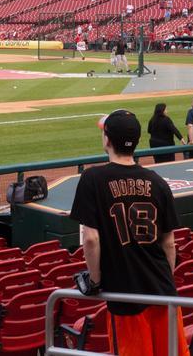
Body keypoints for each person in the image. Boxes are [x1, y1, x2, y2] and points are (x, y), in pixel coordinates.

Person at [70, 110, 186, 356]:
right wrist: (163, 282)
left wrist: (95, 281)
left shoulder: (92, 178)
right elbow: (169, 244)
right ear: (137, 141)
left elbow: (90, 239)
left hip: (125, 296)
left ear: (107, 140)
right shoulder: (158, 182)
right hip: (163, 291)